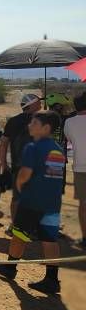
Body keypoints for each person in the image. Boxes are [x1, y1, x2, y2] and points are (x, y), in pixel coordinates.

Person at [0, 110, 66, 295]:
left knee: (19, 234)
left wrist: (18, 184)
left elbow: (25, 174)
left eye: (34, 123)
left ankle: (10, 267)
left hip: (32, 201)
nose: (29, 126)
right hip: (52, 202)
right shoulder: (58, 149)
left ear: (46, 128)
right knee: (50, 240)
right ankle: (51, 279)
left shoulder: (33, 147)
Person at [0, 92, 42, 217]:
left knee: (17, 197)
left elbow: (3, 144)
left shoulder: (13, 121)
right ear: (31, 104)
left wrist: (3, 164)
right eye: (38, 102)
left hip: (18, 165)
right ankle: (33, 226)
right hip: (36, 165)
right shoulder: (40, 121)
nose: (41, 104)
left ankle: (15, 225)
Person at [64, 92, 86, 249]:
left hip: (80, 167)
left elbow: (70, 140)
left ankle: (85, 238)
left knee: (83, 205)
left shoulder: (69, 123)